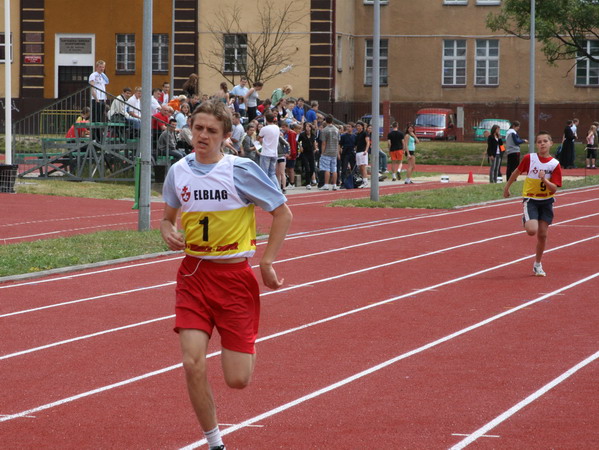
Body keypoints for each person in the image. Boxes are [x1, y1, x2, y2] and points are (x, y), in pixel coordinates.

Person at [160, 99, 292, 450]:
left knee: (237, 380)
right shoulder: (179, 171)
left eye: (211, 131)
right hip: (193, 276)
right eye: (198, 128)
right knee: (192, 362)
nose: (202, 135)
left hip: (235, 279)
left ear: (226, 135)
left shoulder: (241, 170)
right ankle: (215, 442)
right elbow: (167, 216)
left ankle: (242, 342)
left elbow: (283, 213)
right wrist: (166, 229)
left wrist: (266, 261)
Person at [503, 131, 562, 277]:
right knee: (531, 231)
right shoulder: (530, 158)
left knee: (542, 235)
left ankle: (537, 264)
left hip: (547, 201)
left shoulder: (554, 164)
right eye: (539, 141)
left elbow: (554, 188)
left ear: (550, 144)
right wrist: (507, 187)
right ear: (536, 144)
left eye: (544, 141)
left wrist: (544, 179)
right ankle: (526, 217)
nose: (542, 144)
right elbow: (516, 172)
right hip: (531, 200)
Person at [257, 110, 280, 188]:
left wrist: (261, 140)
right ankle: (277, 189)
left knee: (264, 173)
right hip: (274, 153)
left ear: (265, 119)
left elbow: (258, 137)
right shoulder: (277, 128)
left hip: (266, 153)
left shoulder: (264, 129)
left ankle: (266, 190)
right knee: (272, 173)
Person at [318, 115, 340, 190]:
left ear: (326, 121)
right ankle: (334, 184)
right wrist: (337, 152)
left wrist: (322, 152)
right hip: (334, 151)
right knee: (334, 168)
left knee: (326, 168)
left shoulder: (324, 130)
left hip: (327, 151)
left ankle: (326, 184)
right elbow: (337, 142)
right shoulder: (337, 130)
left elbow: (324, 143)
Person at [88, 60, 109, 139]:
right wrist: (96, 98)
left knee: (100, 118)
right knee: (95, 118)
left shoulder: (103, 76)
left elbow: (103, 87)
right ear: (97, 67)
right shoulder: (93, 75)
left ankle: (100, 136)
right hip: (96, 99)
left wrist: (105, 98)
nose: (102, 68)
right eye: (100, 67)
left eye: (103, 67)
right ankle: (94, 137)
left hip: (102, 98)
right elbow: (92, 87)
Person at [298, 122, 317, 189]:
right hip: (304, 152)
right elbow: (299, 141)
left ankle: (309, 179)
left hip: (311, 152)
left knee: (312, 168)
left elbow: (314, 142)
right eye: (306, 127)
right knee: (307, 168)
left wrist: (315, 148)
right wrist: (300, 146)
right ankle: (308, 183)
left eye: (309, 127)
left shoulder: (313, 135)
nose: (308, 128)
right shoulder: (302, 134)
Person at [355, 121, 369, 188]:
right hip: (358, 152)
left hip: (363, 152)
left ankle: (365, 182)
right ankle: (364, 180)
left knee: (363, 167)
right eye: (357, 126)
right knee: (360, 167)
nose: (358, 127)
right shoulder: (357, 134)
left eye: (359, 126)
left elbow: (368, 142)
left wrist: (366, 150)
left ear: (362, 127)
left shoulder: (364, 133)